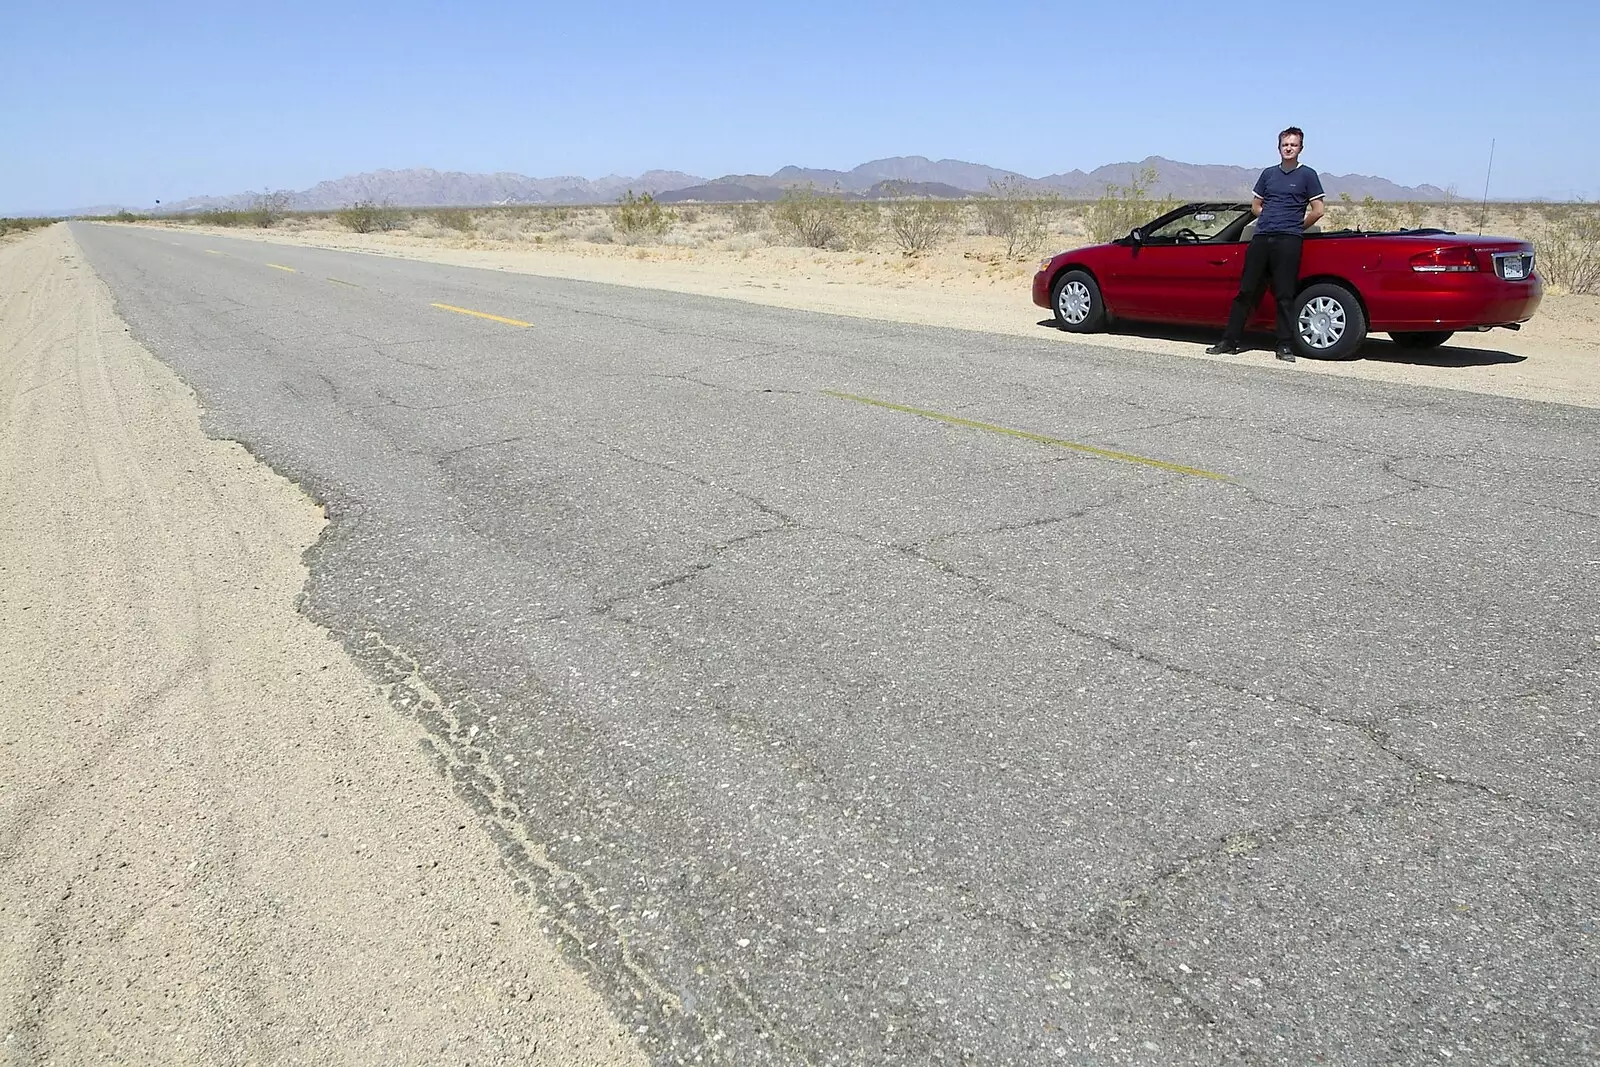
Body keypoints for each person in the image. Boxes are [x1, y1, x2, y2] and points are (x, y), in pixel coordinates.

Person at [1207, 127, 1326, 361]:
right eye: (1285, 144)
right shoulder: (1268, 174)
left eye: (1293, 144)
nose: (1289, 148)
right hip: (1262, 237)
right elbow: (1255, 206)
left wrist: (1295, 226)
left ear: (1301, 148)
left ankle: (1284, 345)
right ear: (1279, 147)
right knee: (1246, 291)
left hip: (1288, 239)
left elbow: (1318, 210)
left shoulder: (1308, 175)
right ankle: (1229, 341)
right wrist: (1269, 216)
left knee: (1284, 293)